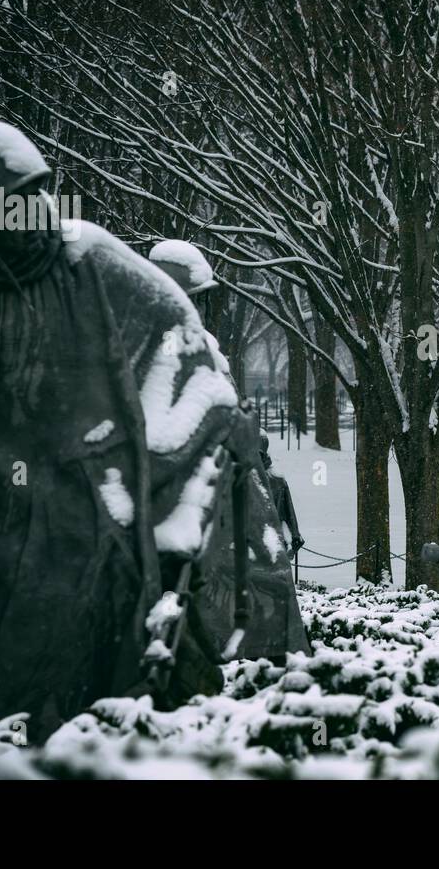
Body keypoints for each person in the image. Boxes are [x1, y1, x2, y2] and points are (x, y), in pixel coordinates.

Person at [0, 121, 240, 742]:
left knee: (86, 695)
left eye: (39, 192)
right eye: (15, 196)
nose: (35, 209)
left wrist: (183, 443)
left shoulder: (91, 265)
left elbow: (181, 343)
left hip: (83, 527)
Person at [147, 240, 309, 664]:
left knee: (259, 577)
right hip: (192, 503)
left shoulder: (202, 353)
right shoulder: (165, 354)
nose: (201, 310)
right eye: (196, 299)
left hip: (224, 496)